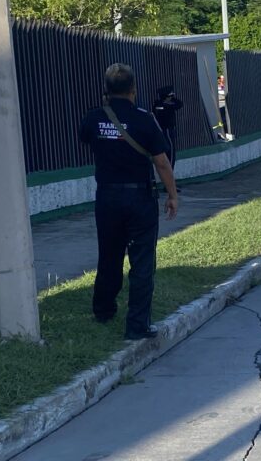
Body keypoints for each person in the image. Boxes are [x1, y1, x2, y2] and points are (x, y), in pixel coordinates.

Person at [79, 63, 179, 340]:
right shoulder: (144, 119)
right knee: (142, 260)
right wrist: (172, 194)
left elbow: (86, 137)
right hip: (139, 197)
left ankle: (103, 310)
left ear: (106, 90)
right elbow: (161, 161)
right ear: (134, 89)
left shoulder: (94, 117)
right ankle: (137, 325)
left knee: (109, 254)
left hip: (107, 196)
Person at [152, 86, 183, 172]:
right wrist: (167, 103)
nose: (171, 98)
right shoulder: (160, 105)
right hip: (166, 130)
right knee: (170, 151)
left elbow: (179, 104)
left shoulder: (165, 104)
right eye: (170, 96)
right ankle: (170, 173)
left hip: (165, 130)